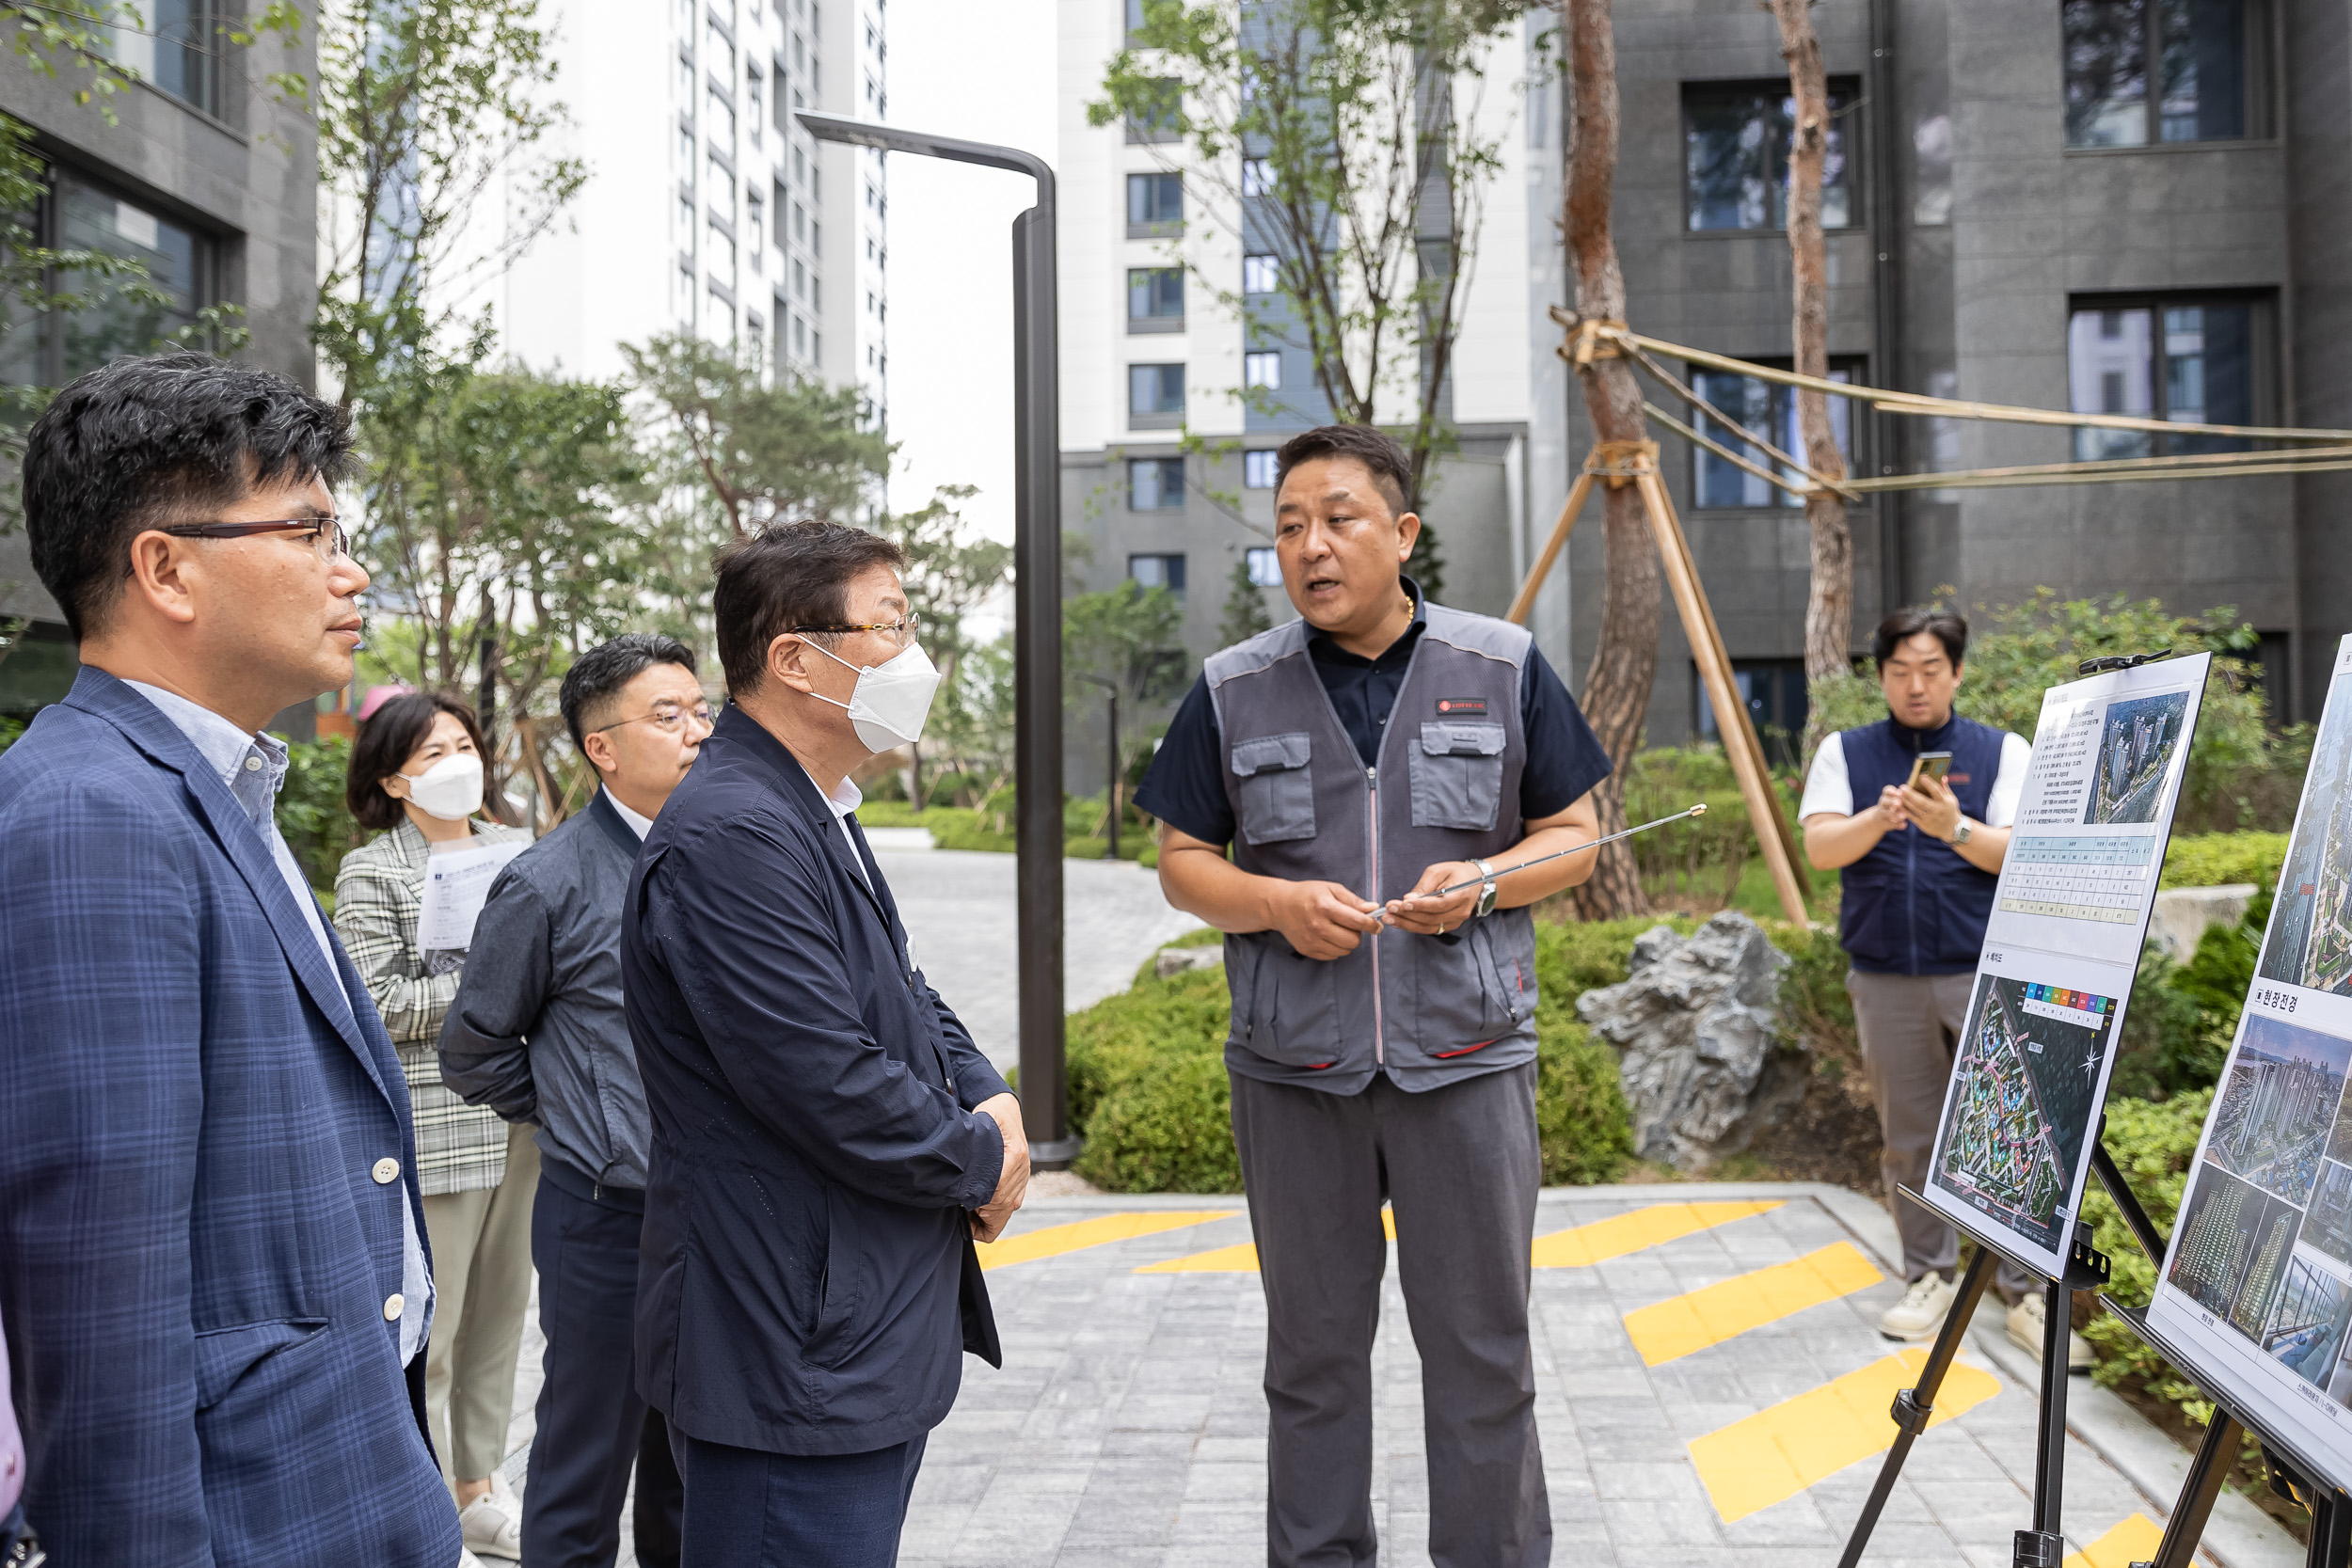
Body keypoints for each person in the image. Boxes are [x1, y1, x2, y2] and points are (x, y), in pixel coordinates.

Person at [0, 353, 460, 1563]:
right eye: (309, 528)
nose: (348, 569)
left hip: (341, 1480)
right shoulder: (91, 814)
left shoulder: (214, 787)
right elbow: (99, 1286)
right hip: (252, 1516)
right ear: (166, 568)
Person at [1134, 424, 1610, 1568]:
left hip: (1466, 1062)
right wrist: (1273, 903)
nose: (1310, 545)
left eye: (1337, 518)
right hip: (1295, 1072)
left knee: (1483, 1355)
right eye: (1289, 525)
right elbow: (1182, 859)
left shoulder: (1499, 666)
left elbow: (1577, 838)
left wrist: (1487, 878)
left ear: (1401, 534)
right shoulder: (1233, 687)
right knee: (1309, 1358)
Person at [622, 520, 1028, 1568]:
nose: (914, 653)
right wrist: (979, 1160)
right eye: (889, 623)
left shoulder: (810, 806)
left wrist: (990, 1093)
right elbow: (821, 1074)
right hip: (788, 1344)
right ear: (797, 658)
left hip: (849, 1322)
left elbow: (899, 986)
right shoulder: (734, 834)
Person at [439, 634, 711, 1568]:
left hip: (715, 1217)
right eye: (667, 715)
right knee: (582, 1468)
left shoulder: (724, 859)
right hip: (606, 1220)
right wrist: (570, 1109)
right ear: (603, 746)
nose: (697, 730)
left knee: (691, 1467)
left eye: (700, 708)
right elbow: (471, 1045)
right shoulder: (547, 881)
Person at [1799, 606, 2090, 1368]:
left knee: (2009, 1131)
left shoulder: (2001, 751)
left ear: (1957, 672)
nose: (1916, 685)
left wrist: (1952, 828)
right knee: (1911, 1137)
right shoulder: (1848, 750)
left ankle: (2025, 1290)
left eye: (1931, 669)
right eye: (1900, 671)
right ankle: (1929, 1274)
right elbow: (1821, 846)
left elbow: (2026, 855)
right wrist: (1881, 817)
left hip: (1984, 970)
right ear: (1883, 676)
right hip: (1886, 975)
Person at [336, 693, 537, 1561]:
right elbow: (373, 1003)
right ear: (391, 777)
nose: (457, 760)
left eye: (463, 743)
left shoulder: (515, 852)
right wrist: (492, 985)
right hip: (437, 1123)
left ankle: (481, 1485)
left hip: (523, 1116)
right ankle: (420, 1500)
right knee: (436, 1324)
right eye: (431, 752)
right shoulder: (373, 870)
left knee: (500, 1315)